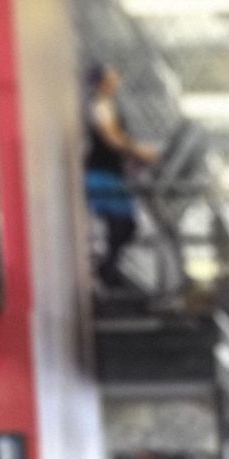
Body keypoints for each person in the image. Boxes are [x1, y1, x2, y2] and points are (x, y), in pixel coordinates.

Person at [84, 61, 158, 292]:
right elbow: (111, 137)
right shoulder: (100, 105)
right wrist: (137, 150)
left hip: (110, 174)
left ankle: (109, 272)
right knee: (123, 224)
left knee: (125, 225)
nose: (117, 81)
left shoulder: (107, 104)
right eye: (112, 77)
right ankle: (106, 273)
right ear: (103, 81)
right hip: (101, 175)